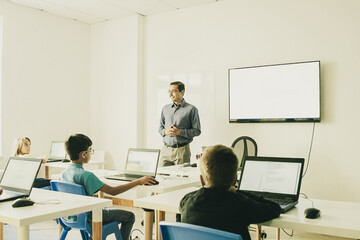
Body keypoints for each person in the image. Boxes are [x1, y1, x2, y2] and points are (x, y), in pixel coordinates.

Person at [61, 134, 157, 240]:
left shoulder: (64, 173)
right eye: (90, 150)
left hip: (69, 218)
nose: (91, 153)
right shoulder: (86, 176)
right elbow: (113, 191)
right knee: (130, 216)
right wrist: (138, 181)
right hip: (89, 218)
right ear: (83, 154)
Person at [180, 145, 281, 240]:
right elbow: (274, 208)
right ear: (234, 180)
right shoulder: (241, 204)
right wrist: (237, 191)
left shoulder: (186, 201)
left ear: (201, 180)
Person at [159, 81, 201, 166]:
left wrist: (180, 132)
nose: (170, 94)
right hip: (165, 151)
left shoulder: (191, 109)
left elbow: (197, 131)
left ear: (182, 92)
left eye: (173, 91)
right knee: (161, 177)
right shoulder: (165, 108)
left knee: (180, 178)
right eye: (169, 91)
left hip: (182, 151)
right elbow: (160, 129)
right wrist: (165, 132)